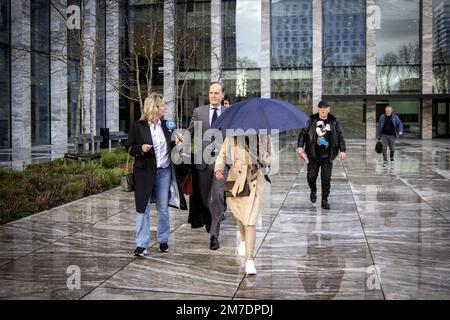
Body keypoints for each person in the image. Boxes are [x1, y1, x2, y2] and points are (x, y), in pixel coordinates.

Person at [126, 93, 187, 257]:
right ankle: (141, 244)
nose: (165, 108)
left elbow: (170, 146)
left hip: (164, 172)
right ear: (155, 108)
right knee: (142, 209)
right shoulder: (138, 126)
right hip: (144, 173)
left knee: (163, 208)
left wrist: (177, 144)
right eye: (163, 106)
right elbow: (129, 147)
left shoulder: (167, 125)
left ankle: (163, 240)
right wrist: (141, 149)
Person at [214, 135, 272, 275]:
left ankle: (249, 260)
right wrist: (218, 168)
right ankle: (243, 240)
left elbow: (271, 156)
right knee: (240, 215)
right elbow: (222, 155)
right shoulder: (233, 135)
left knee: (250, 220)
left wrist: (264, 159)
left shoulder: (265, 135)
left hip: (256, 180)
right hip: (237, 180)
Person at [186, 82, 227, 250]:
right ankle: (210, 221)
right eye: (211, 93)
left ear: (223, 95)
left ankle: (214, 235)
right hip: (202, 163)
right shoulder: (199, 112)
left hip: (221, 163)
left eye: (217, 93)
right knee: (203, 198)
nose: (214, 96)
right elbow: (190, 131)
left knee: (217, 196)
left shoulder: (228, 113)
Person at [296, 100, 346, 210]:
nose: (323, 109)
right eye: (321, 107)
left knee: (326, 178)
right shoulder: (311, 120)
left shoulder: (334, 122)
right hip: (313, 154)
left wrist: (342, 150)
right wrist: (300, 146)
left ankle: (324, 200)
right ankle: (313, 189)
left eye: (325, 107)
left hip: (328, 155)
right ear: (318, 109)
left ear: (329, 109)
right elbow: (303, 134)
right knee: (311, 176)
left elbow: (340, 136)